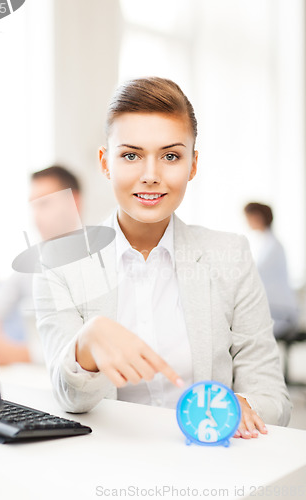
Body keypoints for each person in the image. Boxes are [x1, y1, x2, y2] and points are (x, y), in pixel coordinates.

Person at [33, 77, 292, 440]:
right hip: (102, 468)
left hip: (212, 466)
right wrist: (86, 346)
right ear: (105, 163)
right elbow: (69, 398)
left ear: (193, 164)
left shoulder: (229, 255)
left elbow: (274, 399)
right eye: (130, 155)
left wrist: (243, 405)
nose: (151, 176)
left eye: (171, 156)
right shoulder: (59, 263)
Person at [0, 165, 82, 365]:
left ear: (74, 202)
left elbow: (84, 350)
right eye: (34, 206)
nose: (36, 216)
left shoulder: (102, 262)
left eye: (44, 203)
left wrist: (19, 354)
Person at [244, 202, 298, 338]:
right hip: (274, 309)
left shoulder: (273, 246)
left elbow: (253, 274)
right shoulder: (266, 243)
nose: (247, 222)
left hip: (280, 312)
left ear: (258, 217)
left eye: (249, 217)